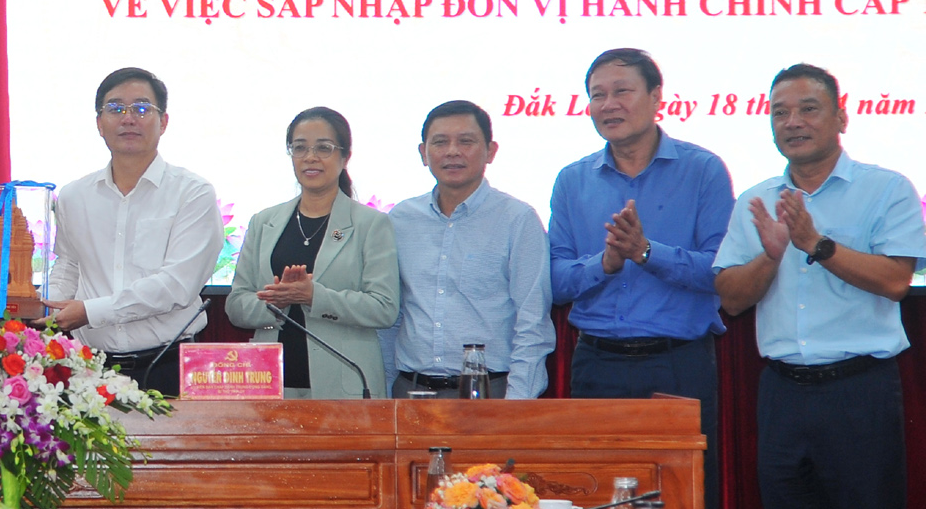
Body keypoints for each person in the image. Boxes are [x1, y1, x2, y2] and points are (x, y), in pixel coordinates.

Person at [714, 64, 924, 509]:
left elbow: (896, 280)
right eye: (780, 113)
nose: (793, 122)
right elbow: (732, 300)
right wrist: (771, 256)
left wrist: (815, 245)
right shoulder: (756, 200)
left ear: (841, 118)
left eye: (808, 109)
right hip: (783, 395)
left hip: (859, 393)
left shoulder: (886, 188)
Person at [548, 49, 734, 509]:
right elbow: (556, 281)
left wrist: (647, 253)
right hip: (598, 365)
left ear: (656, 97)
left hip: (678, 365)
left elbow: (721, 271)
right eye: (597, 95)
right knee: (595, 508)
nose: (608, 104)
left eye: (622, 91)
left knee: (683, 507)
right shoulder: (572, 180)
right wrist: (606, 264)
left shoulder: (703, 170)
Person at [45, 67, 224, 394]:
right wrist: (46, 307)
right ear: (99, 123)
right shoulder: (73, 196)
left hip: (169, 365)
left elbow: (177, 286)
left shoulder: (192, 193)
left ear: (163, 122)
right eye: (115, 109)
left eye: (142, 108)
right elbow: (69, 265)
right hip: (89, 369)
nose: (128, 118)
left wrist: (90, 312)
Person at [384, 101, 554, 399]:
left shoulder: (517, 219)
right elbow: (390, 318)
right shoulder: (401, 219)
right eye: (440, 142)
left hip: (489, 392)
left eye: (466, 141)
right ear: (423, 153)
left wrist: (516, 405)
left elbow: (532, 323)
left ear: (491, 151)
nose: (452, 151)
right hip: (410, 391)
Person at [226, 107, 398, 399]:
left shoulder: (370, 224)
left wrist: (313, 296)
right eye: (300, 148)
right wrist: (276, 301)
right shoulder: (264, 222)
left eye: (323, 148)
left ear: (345, 157)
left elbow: (384, 308)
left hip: (345, 386)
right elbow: (236, 305)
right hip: (270, 384)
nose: (310, 157)